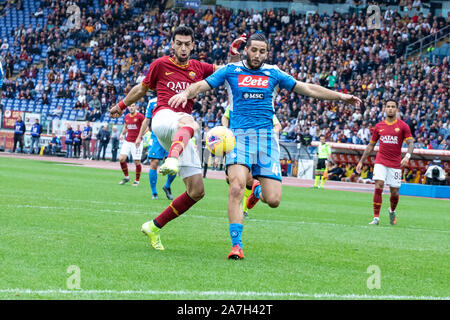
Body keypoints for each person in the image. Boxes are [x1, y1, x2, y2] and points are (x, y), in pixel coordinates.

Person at [169, 33, 361, 259]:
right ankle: (236, 245)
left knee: (273, 200)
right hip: (238, 138)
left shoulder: (274, 73)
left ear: (267, 53)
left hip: (267, 140)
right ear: (246, 50)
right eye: (253, 50)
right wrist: (185, 92)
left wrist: (340, 96)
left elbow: (307, 88)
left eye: (262, 51)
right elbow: (201, 85)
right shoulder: (231, 71)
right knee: (236, 186)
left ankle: (258, 189)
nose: (257, 55)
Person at [110, 26, 244, 251]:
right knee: (190, 122)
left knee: (197, 191)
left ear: (193, 45)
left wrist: (235, 56)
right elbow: (141, 89)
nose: (183, 47)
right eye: (179, 43)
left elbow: (231, 71)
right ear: (172, 44)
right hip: (163, 118)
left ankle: (153, 226)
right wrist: (121, 105)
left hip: (180, 133)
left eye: (187, 44)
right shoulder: (160, 64)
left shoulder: (199, 68)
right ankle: (171, 160)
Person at [356, 99, 415, 226]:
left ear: (397, 109)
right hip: (380, 161)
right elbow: (370, 146)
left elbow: (411, 142)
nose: (390, 109)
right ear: (384, 109)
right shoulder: (379, 127)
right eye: (388, 106)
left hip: (395, 164)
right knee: (379, 186)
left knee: (394, 192)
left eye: (393, 106)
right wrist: (361, 161)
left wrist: (407, 156)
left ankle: (392, 210)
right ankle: (376, 217)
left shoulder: (403, 126)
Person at [222, 104, 282, 219]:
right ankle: (256, 191)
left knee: (246, 179)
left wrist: (269, 134)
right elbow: (225, 117)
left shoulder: (262, 106)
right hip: (237, 144)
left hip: (259, 146)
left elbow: (277, 126)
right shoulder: (235, 103)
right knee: (230, 179)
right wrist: (226, 128)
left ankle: (244, 210)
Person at [139, 97, 176, 200]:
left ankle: (167, 186)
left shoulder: (173, 98)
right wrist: (139, 136)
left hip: (171, 136)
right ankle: (154, 192)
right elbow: (147, 120)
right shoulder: (152, 102)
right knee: (154, 163)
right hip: (156, 137)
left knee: (173, 165)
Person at [118, 103, 145, 187]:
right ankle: (126, 177)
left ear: (136, 107)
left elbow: (146, 128)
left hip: (137, 142)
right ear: (128, 107)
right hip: (128, 141)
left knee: (137, 162)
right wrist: (122, 134)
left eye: (133, 106)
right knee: (122, 159)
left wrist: (139, 137)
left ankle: (137, 180)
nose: (131, 108)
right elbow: (126, 127)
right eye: (129, 106)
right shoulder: (126, 117)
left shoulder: (140, 116)